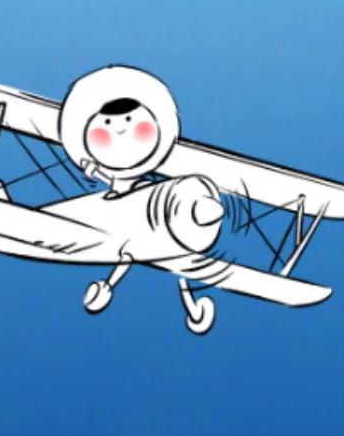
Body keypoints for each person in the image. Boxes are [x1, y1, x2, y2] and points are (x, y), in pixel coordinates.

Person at [57, 66, 224, 330]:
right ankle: (106, 287)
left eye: (131, 122)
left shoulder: (162, 192)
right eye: (109, 124)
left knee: (163, 261)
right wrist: (94, 168)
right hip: (99, 227)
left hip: (160, 234)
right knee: (127, 256)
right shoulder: (113, 179)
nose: (121, 131)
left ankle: (194, 310)